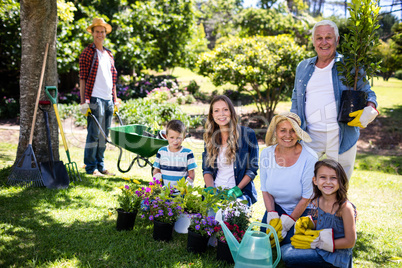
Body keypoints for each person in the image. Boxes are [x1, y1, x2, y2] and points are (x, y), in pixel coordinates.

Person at [290, 20, 378, 180]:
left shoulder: (350, 66)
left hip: (341, 135)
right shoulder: (303, 66)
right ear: (313, 41)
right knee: (304, 183)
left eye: (328, 37)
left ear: (337, 40)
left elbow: (367, 91)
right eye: (319, 38)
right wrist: (292, 126)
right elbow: (296, 99)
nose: (324, 42)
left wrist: (371, 107)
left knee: (338, 187)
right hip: (309, 136)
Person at [281, 159, 357, 268]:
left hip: (337, 255)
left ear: (341, 181)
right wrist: (310, 224)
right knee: (285, 249)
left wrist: (319, 243)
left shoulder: (345, 207)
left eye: (333, 178)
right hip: (321, 249)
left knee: (289, 255)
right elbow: (324, 224)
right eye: (323, 177)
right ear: (315, 180)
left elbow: (350, 242)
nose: (328, 182)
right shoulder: (318, 201)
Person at [260, 112, 318, 245]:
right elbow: (265, 189)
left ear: (298, 133)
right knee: (265, 239)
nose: (288, 135)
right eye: (283, 130)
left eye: (293, 131)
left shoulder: (310, 157)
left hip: (303, 210)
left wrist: (288, 223)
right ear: (276, 132)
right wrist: (272, 215)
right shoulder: (266, 154)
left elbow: (307, 196)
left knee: (289, 243)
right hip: (277, 207)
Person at [79, 18, 119, 177]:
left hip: (108, 99)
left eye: (102, 32)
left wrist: (115, 100)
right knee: (94, 134)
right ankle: (90, 167)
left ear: (105, 34)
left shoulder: (109, 54)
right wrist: (83, 101)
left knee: (104, 135)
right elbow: (82, 78)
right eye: (97, 31)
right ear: (92, 33)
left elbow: (113, 80)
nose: (100, 34)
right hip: (94, 98)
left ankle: (100, 166)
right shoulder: (87, 52)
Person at [202, 95, 258, 206]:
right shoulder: (210, 137)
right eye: (216, 111)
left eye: (225, 109)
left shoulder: (247, 135)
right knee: (210, 221)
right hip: (216, 192)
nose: (221, 114)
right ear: (212, 115)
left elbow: (252, 168)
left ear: (231, 112)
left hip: (240, 193)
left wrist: (236, 190)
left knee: (233, 219)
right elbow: (207, 169)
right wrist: (212, 191)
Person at [153, 120, 197, 187]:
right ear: (166, 137)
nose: (175, 141)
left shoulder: (188, 153)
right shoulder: (161, 152)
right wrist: (157, 177)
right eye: (172, 138)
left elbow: (191, 173)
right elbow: (156, 170)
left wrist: (189, 182)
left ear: (183, 137)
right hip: (165, 192)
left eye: (178, 138)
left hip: (181, 193)